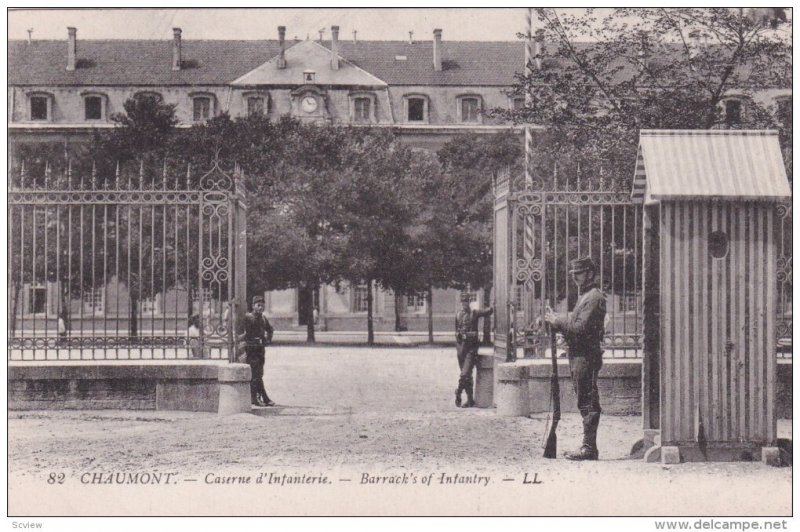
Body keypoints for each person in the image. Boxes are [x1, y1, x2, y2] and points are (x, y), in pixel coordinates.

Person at [544, 257, 607, 461]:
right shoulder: (586, 296)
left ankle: (589, 449)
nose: (575, 278)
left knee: (587, 401)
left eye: (578, 274)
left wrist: (559, 321)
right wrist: (560, 326)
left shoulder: (594, 297)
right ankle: (588, 447)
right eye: (573, 274)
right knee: (584, 400)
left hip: (586, 356)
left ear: (589, 273)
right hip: (579, 355)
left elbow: (581, 329)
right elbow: (577, 328)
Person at [454, 292, 493, 408]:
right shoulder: (458, 315)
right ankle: (470, 400)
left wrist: (494, 304)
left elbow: (488, 311)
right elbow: (456, 331)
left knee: (464, 373)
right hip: (461, 350)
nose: (464, 304)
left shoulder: (474, 313)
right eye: (463, 302)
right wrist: (459, 335)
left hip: (471, 349)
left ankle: (459, 392)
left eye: (466, 301)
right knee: (467, 375)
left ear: (469, 302)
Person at [238, 295, 275, 407]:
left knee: (259, 374)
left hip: (260, 349)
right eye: (258, 305)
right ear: (253, 306)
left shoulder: (263, 318)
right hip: (251, 349)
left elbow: (270, 329)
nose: (260, 308)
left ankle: (261, 397)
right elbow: (242, 332)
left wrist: (268, 339)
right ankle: (258, 398)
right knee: (255, 374)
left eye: (262, 306)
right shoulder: (248, 318)